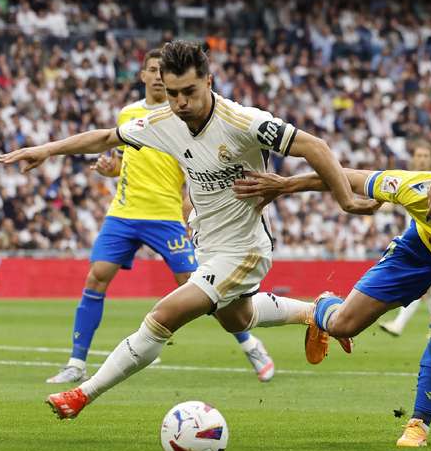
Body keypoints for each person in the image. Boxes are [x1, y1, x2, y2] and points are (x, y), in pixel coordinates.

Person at [0, 40, 375, 420]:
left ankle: (82, 393)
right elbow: (106, 137)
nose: (181, 102)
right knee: (238, 319)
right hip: (208, 243)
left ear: (209, 81)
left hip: (245, 248)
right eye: (174, 93)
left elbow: (315, 146)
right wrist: (46, 150)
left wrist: (345, 200)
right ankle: (317, 311)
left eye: (190, 92)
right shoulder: (165, 123)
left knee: (166, 313)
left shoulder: (245, 122)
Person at [233, 161, 431, 447]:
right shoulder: (414, 187)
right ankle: (321, 308)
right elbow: (345, 176)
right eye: (430, 201)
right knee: (343, 324)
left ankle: (419, 423)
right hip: (420, 248)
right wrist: (286, 184)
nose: (430, 210)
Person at [46, 49, 272, 385]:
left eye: (158, 70)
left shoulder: (183, 117)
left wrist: (188, 203)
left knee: (201, 289)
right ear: (143, 76)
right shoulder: (129, 114)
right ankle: (76, 363)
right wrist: (113, 170)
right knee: (96, 278)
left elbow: (198, 164)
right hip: (123, 213)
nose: (154, 76)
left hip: (166, 215)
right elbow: (128, 160)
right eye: (150, 70)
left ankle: (250, 344)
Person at [378, 141, 431, 337]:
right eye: (418, 155)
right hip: (413, 239)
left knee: (420, 284)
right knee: (426, 288)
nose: (421, 159)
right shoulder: (408, 180)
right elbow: (390, 202)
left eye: (425, 156)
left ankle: (402, 324)